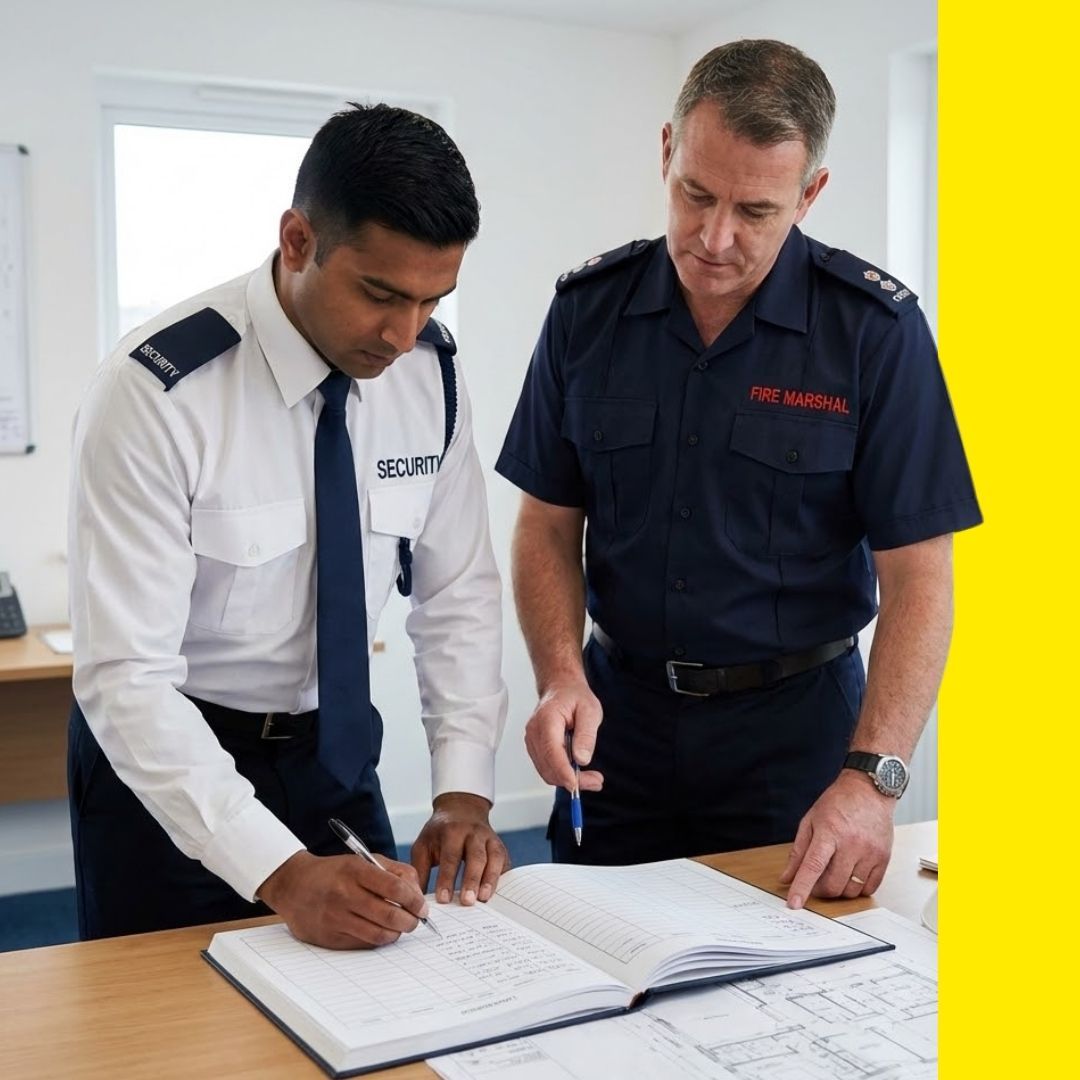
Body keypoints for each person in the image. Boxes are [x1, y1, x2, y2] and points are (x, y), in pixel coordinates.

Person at [497, 40, 980, 907]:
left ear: (811, 194)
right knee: (599, 980)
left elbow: (920, 576)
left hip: (796, 738)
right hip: (619, 729)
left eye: (755, 210)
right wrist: (561, 675)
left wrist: (874, 782)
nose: (714, 238)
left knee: (788, 1000)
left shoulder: (874, 331)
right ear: (666, 151)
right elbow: (546, 521)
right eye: (695, 194)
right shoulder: (586, 312)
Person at [68, 103, 509, 947]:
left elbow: (458, 599)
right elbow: (126, 678)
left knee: (381, 1011)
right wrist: (279, 872)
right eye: (380, 294)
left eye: (431, 300)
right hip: (170, 764)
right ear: (298, 240)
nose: (403, 333)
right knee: (164, 1038)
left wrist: (463, 790)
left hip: (334, 759)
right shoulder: (158, 393)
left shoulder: (430, 381)